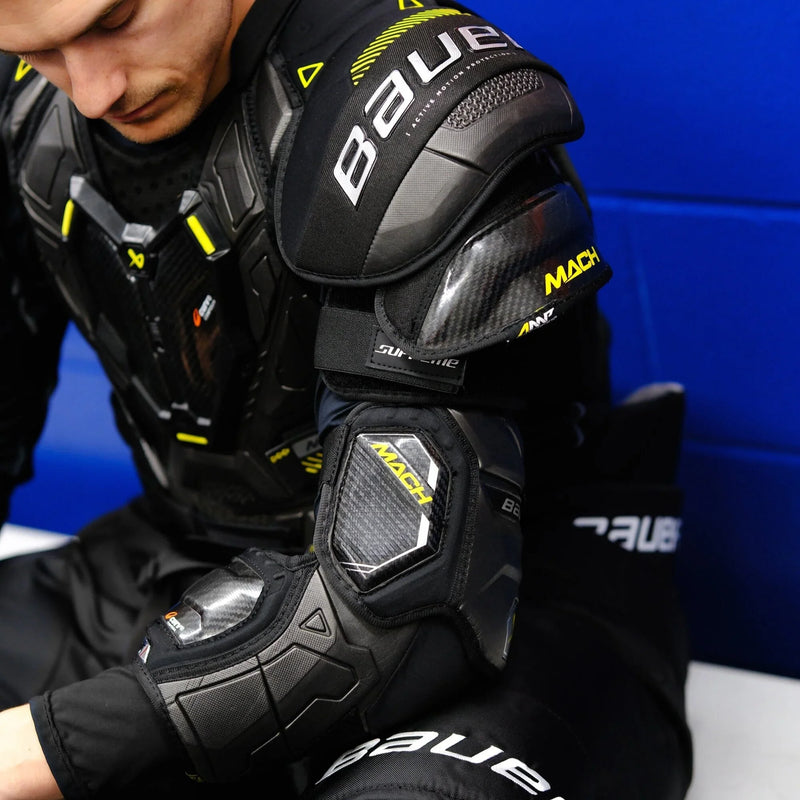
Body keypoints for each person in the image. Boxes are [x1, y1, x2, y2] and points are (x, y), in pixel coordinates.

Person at [0, 0, 694, 798]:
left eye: (115, 18)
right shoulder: (25, 103)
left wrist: (45, 750)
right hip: (182, 563)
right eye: (38, 50)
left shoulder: (429, 100)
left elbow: (405, 602)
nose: (91, 90)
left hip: (500, 613)